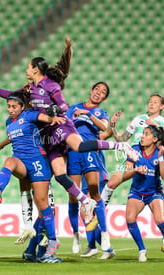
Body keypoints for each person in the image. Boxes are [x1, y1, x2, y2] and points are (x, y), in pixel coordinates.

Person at [0, 37, 138, 225]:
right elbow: (12, 95)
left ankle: (120, 146)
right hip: (47, 135)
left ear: (36, 70)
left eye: (28, 67)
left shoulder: (50, 86)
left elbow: (63, 104)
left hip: (60, 126)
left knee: (80, 147)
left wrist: (55, 111)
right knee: (60, 175)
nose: (26, 71)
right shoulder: (30, 89)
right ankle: (85, 201)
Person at [0, 93, 63, 263]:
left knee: (43, 205)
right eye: (8, 106)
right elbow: (13, 136)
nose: (11, 110)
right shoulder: (9, 122)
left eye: (14, 107)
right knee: (9, 161)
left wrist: (52, 118)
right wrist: (1, 144)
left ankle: (49, 245)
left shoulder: (29, 115)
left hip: (38, 161)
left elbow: (44, 117)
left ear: (22, 107)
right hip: (21, 161)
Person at [100, 93, 164, 258]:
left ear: (162, 106)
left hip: (152, 158)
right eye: (150, 101)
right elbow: (122, 138)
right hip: (133, 155)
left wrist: (154, 125)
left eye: (155, 102)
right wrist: (112, 126)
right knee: (112, 182)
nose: (151, 104)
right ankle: (97, 214)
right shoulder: (138, 119)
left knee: (157, 197)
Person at [65, 81, 114, 259]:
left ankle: (105, 235)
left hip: (90, 151)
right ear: (91, 90)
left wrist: (88, 114)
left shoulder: (101, 112)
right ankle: (76, 235)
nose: (98, 93)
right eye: (97, 89)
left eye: (102, 92)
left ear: (104, 98)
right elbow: (65, 124)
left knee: (94, 191)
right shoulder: (74, 107)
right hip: (72, 153)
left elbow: (103, 127)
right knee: (73, 195)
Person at [122, 125, 164, 263]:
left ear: (155, 139)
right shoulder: (135, 150)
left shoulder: (161, 153)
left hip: (154, 193)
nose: (142, 136)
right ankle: (142, 250)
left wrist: (161, 158)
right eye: (142, 134)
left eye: (146, 134)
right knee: (130, 219)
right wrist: (136, 169)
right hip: (137, 192)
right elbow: (125, 174)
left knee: (160, 220)